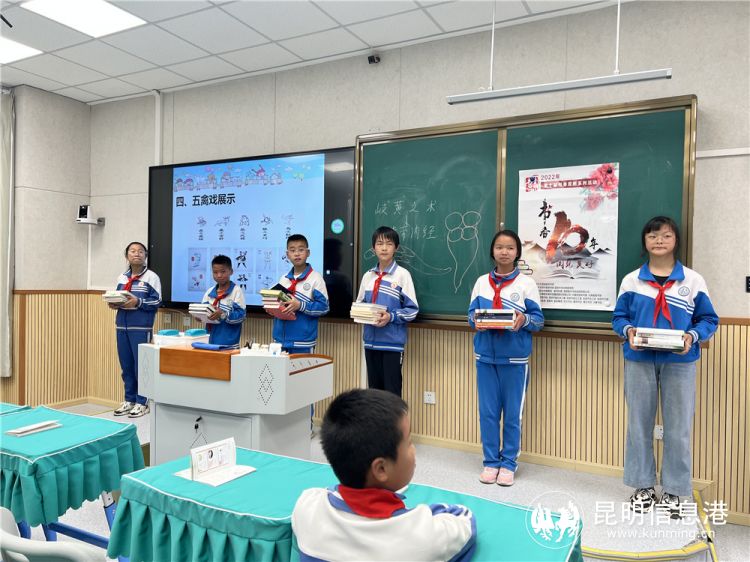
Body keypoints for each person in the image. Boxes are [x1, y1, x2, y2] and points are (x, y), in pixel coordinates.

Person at [292, 388, 476, 561]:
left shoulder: (307, 506)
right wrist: (420, 515)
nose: (413, 449)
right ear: (381, 469)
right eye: (409, 442)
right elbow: (464, 518)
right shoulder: (422, 536)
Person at [612, 216, 718, 516]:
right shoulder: (632, 280)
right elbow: (619, 318)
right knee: (638, 424)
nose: (659, 240)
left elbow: (708, 319)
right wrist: (628, 332)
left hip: (679, 362)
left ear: (676, 241)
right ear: (645, 242)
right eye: (653, 235)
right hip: (639, 360)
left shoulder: (692, 281)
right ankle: (642, 485)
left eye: (666, 235)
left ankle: (674, 489)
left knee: (679, 427)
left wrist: (692, 336)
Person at [468, 230, 543, 486]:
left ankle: (509, 463)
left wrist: (524, 320)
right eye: (499, 247)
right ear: (492, 251)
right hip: (485, 358)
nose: (504, 252)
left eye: (510, 248)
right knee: (488, 414)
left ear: (517, 252)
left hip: (515, 360)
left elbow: (538, 320)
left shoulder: (526, 284)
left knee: (512, 415)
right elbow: (470, 316)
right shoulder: (481, 282)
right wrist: (476, 321)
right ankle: (490, 462)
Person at [356, 226, 419, 396]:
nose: (384, 248)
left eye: (389, 244)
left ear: (396, 248)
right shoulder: (368, 276)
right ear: (373, 248)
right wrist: (360, 312)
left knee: (392, 393)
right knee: (374, 393)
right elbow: (360, 304)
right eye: (379, 243)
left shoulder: (402, 275)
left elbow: (412, 310)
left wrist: (390, 316)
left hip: (392, 344)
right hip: (370, 342)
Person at [111, 242, 161, 418]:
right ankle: (129, 399)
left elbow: (157, 301)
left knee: (142, 367)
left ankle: (142, 402)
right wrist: (114, 303)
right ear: (127, 256)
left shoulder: (152, 277)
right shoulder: (122, 278)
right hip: (121, 327)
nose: (136, 254)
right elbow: (118, 297)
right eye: (132, 251)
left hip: (141, 327)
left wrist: (138, 302)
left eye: (140, 251)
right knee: (126, 366)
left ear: (145, 256)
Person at [272, 234, 329, 354]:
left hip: (303, 342)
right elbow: (280, 306)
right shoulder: (283, 279)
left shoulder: (316, 278)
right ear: (287, 254)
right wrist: (272, 307)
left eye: (301, 250)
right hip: (279, 342)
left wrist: (300, 305)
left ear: (308, 253)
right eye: (292, 250)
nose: (297, 254)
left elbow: (324, 307)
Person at [200, 255, 246, 349]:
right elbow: (203, 312)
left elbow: (241, 317)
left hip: (228, 345)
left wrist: (223, 314)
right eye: (215, 272)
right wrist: (199, 316)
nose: (219, 275)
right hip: (209, 342)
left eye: (223, 272)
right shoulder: (209, 292)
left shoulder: (236, 291)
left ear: (231, 271)